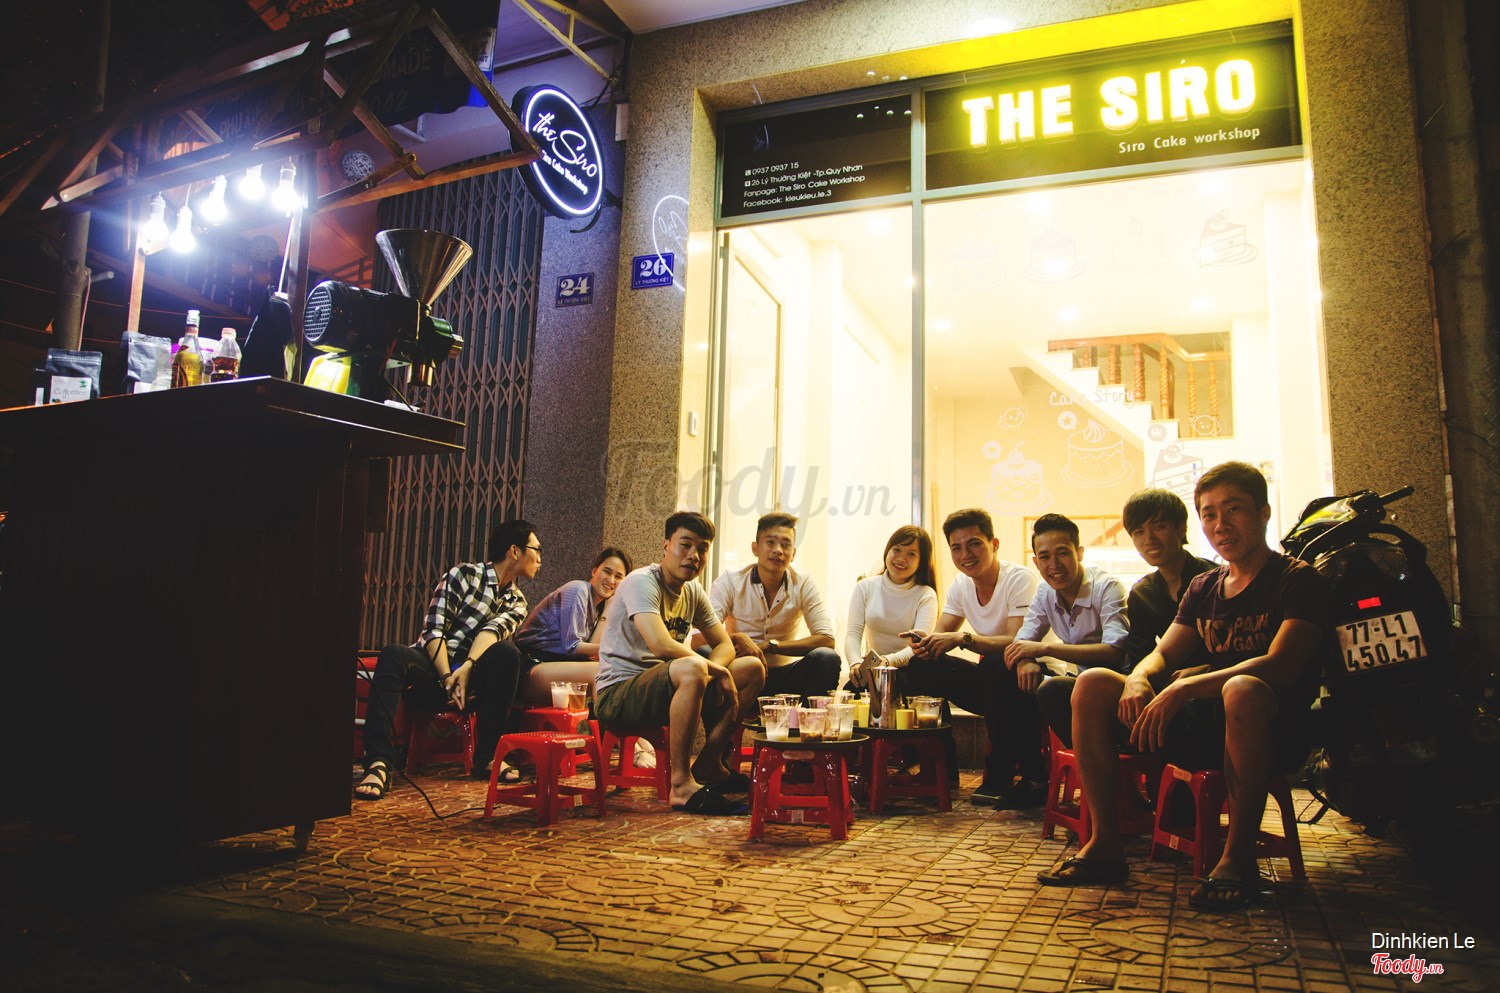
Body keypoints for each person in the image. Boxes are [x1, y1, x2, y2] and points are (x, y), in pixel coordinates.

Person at [1038, 462, 1331, 912]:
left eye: (1233, 509)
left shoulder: (1298, 579)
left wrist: (1183, 689)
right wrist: (1140, 678)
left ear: (1264, 512)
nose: (1220, 524)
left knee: (1242, 689)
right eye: (1209, 514)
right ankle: (1105, 844)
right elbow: (1163, 654)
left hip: (1269, 731)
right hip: (1202, 728)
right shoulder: (1205, 586)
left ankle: (1237, 859)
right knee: (1093, 683)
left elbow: (1282, 665)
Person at [593, 511, 766, 815]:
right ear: (666, 545)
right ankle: (681, 785)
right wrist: (715, 670)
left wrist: (714, 672)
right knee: (693, 667)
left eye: (702, 549)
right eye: (685, 545)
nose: (693, 555)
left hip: (669, 687)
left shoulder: (692, 591)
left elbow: (724, 644)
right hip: (618, 695)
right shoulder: (641, 582)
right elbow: (660, 644)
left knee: (751, 668)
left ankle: (710, 761)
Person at [355, 520, 540, 800]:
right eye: (536, 550)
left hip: (468, 685)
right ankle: (378, 763)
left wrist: (466, 668)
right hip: (433, 671)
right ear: (515, 551)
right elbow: (435, 630)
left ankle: (487, 757)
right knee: (394, 654)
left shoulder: (517, 601)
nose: (540, 559)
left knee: (508, 653)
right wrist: (446, 677)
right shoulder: (464, 575)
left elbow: (491, 633)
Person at [900, 508, 1041, 807]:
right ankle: (942, 768)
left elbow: (1018, 641)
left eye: (975, 544)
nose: (966, 554)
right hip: (993, 684)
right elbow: (941, 635)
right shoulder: (961, 585)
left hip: (1031, 679)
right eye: (957, 547)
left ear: (994, 544)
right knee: (922, 665)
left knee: (996, 662)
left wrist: (963, 639)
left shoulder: (1019, 579)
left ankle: (999, 775)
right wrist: (924, 642)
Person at [1007, 513, 1130, 751]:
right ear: (1036, 562)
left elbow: (1114, 652)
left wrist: (1044, 648)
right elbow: (1023, 640)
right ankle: (1030, 765)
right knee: (1005, 674)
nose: (1054, 565)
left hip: (1119, 685)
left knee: (1052, 690)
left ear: (1079, 553)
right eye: (1045, 557)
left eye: (1062, 553)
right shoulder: (1045, 592)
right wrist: (1025, 661)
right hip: (1080, 685)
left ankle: (1097, 755)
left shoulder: (1107, 587)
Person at [706, 512, 840, 700]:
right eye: (770, 542)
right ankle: (723, 719)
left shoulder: (803, 583)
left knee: (826, 658)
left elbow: (826, 639)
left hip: (785, 674)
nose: (778, 550)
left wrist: (771, 646)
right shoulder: (730, 581)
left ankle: (807, 718)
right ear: (755, 548)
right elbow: (699, 638)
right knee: (704, 654)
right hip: (742, 670)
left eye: (786, 544)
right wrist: (737, 639)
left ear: (793, 554)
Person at [1117, 489, 1218, 673]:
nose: (1149, 539)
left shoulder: (1214, 579)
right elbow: (1140, 655)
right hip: (1166, 679)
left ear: (1181, 529)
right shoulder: (1142, 593)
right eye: (1139, 532)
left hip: (1218, 679)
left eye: (1159, 527)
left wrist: (1204, 671)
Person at [515, 546, 633, 694]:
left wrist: (608, 611)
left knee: (613, 668)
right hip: (529, 665)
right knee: (604, 671)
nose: (611, 580)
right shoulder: (578, 590)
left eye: (618, 577)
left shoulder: (598, 607)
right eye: (607, 572)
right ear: (594, 571)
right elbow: (572, 647)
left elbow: (591, 653)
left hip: (553, 665)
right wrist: (619, 651)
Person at [845, 525, 940, 684]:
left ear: (921, 561)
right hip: (873, 671)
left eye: (911, 554)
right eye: (897, 550)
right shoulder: (865, 587)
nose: (901, 558)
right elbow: (853, 634)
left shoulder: (926, 594)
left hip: (910, 672)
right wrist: (855, 663)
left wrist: (887, 661)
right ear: (887, 551)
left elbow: (919, 647)